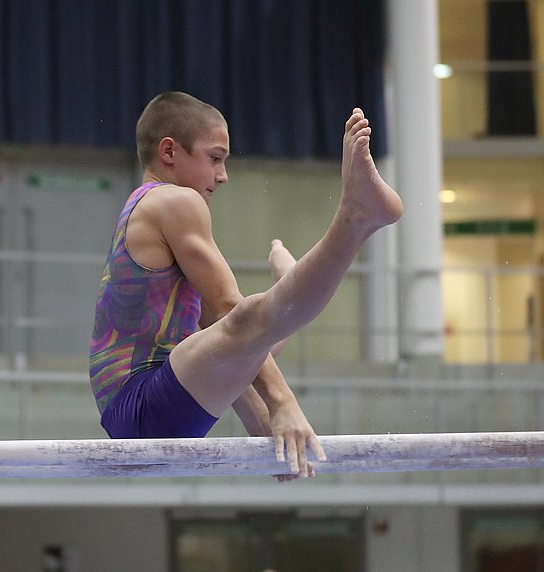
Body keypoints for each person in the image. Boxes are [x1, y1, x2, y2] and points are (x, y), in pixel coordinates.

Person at [89, 91, 402, 477]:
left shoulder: (142, 210)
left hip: (149, 409)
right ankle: (353, 219)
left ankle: (303, 272)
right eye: (215, 158)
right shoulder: (175, 203)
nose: (223, 175)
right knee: (249, 315)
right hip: (142, 404)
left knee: (252, 331)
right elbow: (228, 311)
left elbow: (222, 339)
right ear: (169, 151)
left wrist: (264, 432)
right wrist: (283, 404)